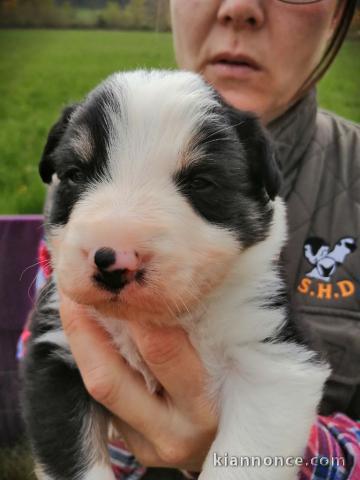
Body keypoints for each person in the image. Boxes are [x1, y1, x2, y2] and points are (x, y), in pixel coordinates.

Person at [38, 1, 360, 479]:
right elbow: (49, 364)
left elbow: (279, 376)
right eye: (79, 175)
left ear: (339, 13)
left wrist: (273, 457)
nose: (239, 7)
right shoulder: (72, 224)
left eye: (200, 184)